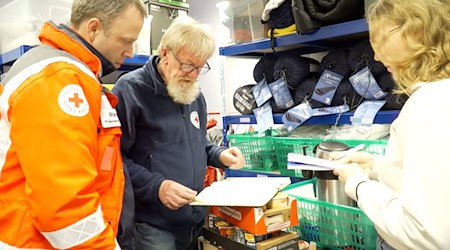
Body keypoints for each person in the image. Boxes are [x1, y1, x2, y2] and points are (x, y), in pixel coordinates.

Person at [0, 0, 146, 249]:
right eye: (126, 40)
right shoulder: (58, 80)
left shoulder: (71, 74)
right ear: (93, 29)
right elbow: (64, 205)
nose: (131, 52)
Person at [112, 15, 245, 250]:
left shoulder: (193, 93)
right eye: (187, 65)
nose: (193, 74)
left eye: (200, 67)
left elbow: (197, 142)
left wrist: (219, 154)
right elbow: (116, 160)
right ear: (165, 53)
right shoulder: (131, 90)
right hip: (153, 227)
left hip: (192, 219)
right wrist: (157, 187)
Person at [332, 0, 450, 249]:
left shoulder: (430, 103)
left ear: (415, 31)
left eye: (380, 39)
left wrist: (359, 185)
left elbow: (426, 235)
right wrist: (378, 167)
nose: (375, 55)